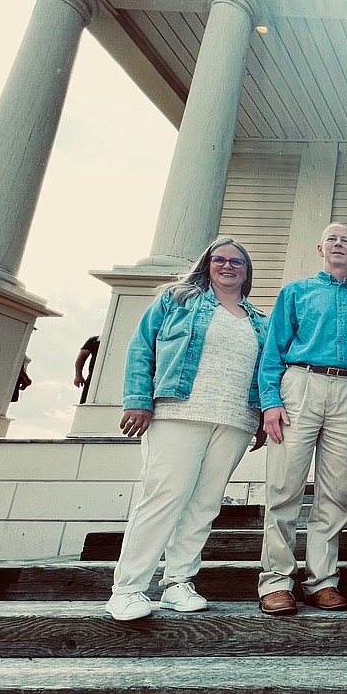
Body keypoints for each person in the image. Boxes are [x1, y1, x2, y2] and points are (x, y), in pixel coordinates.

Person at [106, 236, 268, 622]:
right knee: (164, 497)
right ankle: (127, 589)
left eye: (237, 263)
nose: (228, 266)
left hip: (234, 419)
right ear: (207, 264)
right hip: (178, 411)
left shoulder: (260, 319)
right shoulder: (177, 300)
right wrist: (137, 399)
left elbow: (265, 372)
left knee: (204, 505)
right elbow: (141, 347)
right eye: (220, 260)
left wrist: (261, 415)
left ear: (247, 273)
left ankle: (178, 582)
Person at [256, 223, 347, 616]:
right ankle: (275, 581)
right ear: (321, 248)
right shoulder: (295, 292)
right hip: (299, 383)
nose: (339, 244)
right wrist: (270, 400)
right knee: (284, 486)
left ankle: (322, 581)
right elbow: (273, 349)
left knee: (339, 491)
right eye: (333, 239)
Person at [74, 335, 100, 404]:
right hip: (93, 378)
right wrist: (78, 375)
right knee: (85, 403)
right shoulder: (96, 340)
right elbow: (82, 356)